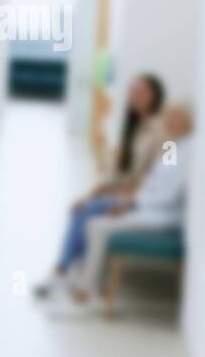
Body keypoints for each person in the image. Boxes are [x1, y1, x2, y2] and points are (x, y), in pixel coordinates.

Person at [48, 101, 193, 315]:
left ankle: (83, 288)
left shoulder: (189, 150)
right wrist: (128, 201)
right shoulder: (173, 146)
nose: (170, 122)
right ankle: (83, 282)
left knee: (96, 226)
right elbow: (155, 183)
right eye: (168, 118)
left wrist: (131, 203)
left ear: (188, 121)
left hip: (163, 216)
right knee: (93, 219)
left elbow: (169, 195)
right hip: (147, 206)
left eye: (176, 118)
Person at [34, 73, 166, 299]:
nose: (135, 96)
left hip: (140, 199)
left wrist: (130, 197)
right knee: (82, 207)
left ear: (155, 97)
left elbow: (162, 176)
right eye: (133, 91)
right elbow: (117, 173)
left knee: (86, 212)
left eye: (142, 92)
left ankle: (61, 270)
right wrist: (91, 193)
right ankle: (65, 270)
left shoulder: (163, 133)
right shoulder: (131, 126)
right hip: (121, 192)